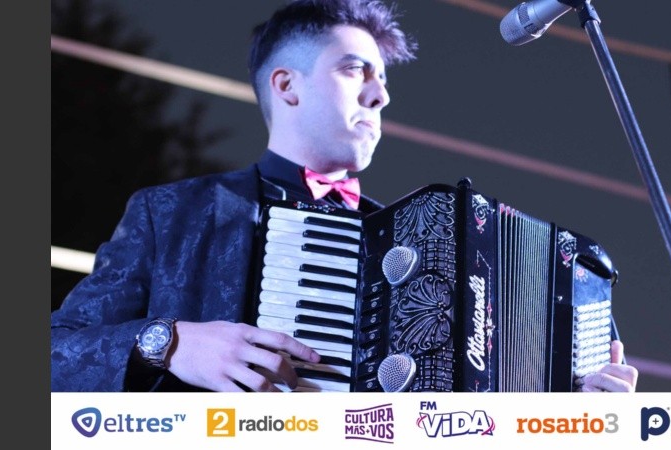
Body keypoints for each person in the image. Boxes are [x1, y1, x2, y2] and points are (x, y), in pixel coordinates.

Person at [51, 0, 638, 393]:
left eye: (384, 79)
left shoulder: (423, 242)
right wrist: (170, 342)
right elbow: (54, 355)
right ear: (287, 85)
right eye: (357, 71)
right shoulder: (172, 214)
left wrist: (578, 412)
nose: (381, 96)